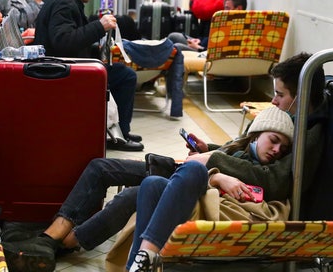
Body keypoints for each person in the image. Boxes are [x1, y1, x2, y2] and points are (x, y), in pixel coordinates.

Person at [1, 52, 326, 271]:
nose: (274, 100)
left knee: (124, 185)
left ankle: (54, 242)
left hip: (208, 174)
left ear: (301, 93)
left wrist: (213, 160)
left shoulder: (306, 134)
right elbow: (246, 150)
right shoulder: (290, 123)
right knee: (104, 168)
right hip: (208, 167)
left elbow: (276, 181)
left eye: (280, 94)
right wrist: (211, 147)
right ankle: (54, 239)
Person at [126, 106, 295, 272]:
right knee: (152, 184)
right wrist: (215, 169)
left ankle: (143, 259)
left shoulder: (267, 172)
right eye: (273, 140)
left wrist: (215, 176)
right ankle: (140, 264)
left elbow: (253, 188)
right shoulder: (237, 152)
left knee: (193, 169)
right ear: (257, 134)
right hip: (200, 196)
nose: (277, 150)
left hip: (219, 208)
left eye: (284, 148)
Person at [33, 0, 143, 151]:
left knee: (121, 74)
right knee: (126, 77)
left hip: (61, 65)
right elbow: (63, 41)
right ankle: (118, 136)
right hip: (62, 72)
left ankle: (119, 131)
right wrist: (100, 26)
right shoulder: (65, 3)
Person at [169, 0, 247, 52]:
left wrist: (198, 47)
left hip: (203, 51)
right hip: (202, 44)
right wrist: (199, 40)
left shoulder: (237, 29)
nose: (225, 11)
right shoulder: (225, 20)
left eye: (227, 8)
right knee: (174, 36)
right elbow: (211, 38)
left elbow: (219, 52)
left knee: (177, 46)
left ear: (238, 8)